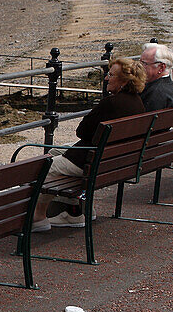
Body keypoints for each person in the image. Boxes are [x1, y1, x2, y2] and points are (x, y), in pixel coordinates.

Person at [33, 58, 147, 230]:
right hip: (114, 162)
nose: (106, 78)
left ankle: (38, 216)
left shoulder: (111, 103)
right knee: (55, 152)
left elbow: (82, 132)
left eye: (111, 75)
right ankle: (76, 211)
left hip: (91, 161)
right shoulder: (138, 103)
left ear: (124, 81)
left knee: (44, 167)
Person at [138, 42, 173, 111]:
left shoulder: (154, 93)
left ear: (161, 67)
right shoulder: (172, 87)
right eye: (140, 62)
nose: (139, 67)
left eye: (144, 63)